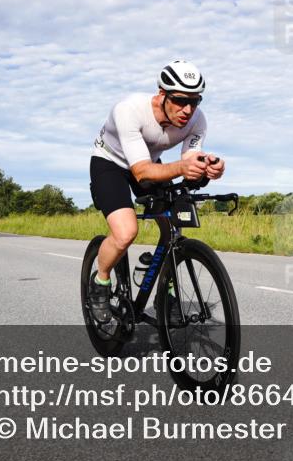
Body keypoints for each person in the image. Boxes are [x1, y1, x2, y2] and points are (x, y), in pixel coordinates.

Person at [88, 60, 224, 323]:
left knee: (174, 225)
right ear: (161, 93)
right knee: (126, 232)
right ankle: (100, 281)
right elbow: (141, 172)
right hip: (111, 164)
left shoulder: (197, 120)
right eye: (179, 100)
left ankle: (166, 292)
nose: (187, 110)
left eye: (195, 102)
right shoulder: (128, 110)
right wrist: (183, 166)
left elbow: (189, 161)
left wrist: (207, 168)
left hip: (148, 162)